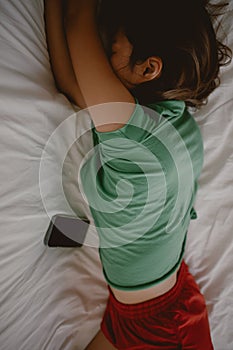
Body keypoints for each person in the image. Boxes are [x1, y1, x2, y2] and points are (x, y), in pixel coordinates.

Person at [44, 0, 231, 349]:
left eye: (110, 48)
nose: (98, 53)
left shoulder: (136, 132)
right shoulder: (169, 119)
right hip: (151, 303)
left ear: (149, 69)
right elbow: (72, 82)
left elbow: (76, 20)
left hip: (162, 328)